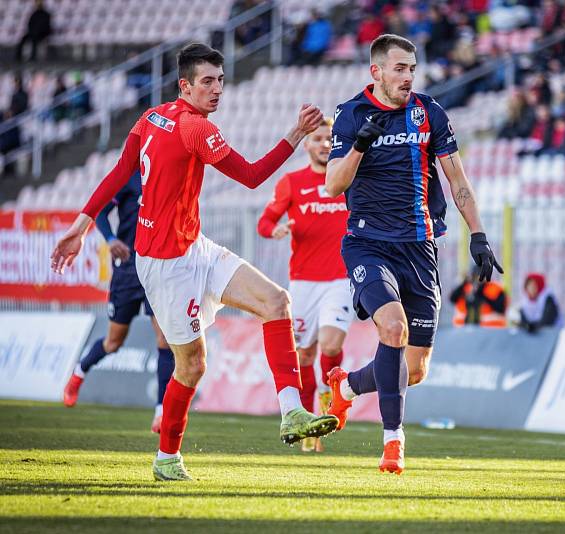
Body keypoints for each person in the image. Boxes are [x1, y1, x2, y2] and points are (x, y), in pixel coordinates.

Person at [50, 43, 338, 482]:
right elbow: (253, 176)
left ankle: (292, 411)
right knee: (192, 366)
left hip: (193, 246)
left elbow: (119, 172)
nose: (217, 89)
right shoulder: (195, 128)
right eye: (207, 81)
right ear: (184, 85)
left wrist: (83, 222)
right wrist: (296, 134)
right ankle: (166, 457)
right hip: (166, 265)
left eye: (221, 80)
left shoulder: (150, 117)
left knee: (276, 302)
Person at [323, 34, 502, 474]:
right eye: (399, 69)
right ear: (376, 72)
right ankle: (393, 444)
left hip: (420, 247)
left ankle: (345, 389)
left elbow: (457, 179)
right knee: (393, 327)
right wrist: (361, 144)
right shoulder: (350, 115)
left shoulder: (429, 112)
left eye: (412, 69)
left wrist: (478, 234)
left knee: (415, 369)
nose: (407, 77)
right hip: (368, 243)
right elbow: (333, 185)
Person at [256, 117, 353, 453]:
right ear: (308, 145)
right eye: (318, 139)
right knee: (305, 353)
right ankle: (310, 418)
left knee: (329, 345)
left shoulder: (348, 178)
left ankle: (331, 399)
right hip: (302, 283)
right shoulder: (292, 182)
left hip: (340, 279)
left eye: (330, 139)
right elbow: (264, 222)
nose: (325, 144)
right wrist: (276, 230)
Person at [62, 171, 175, 433]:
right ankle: (79, 373)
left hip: (156, 269)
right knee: (113, 343)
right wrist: (111, 239)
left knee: (164, 340)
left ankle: (161, 412)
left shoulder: (168, 173)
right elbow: (100, 211)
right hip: (126, 270)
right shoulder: (130, 176)